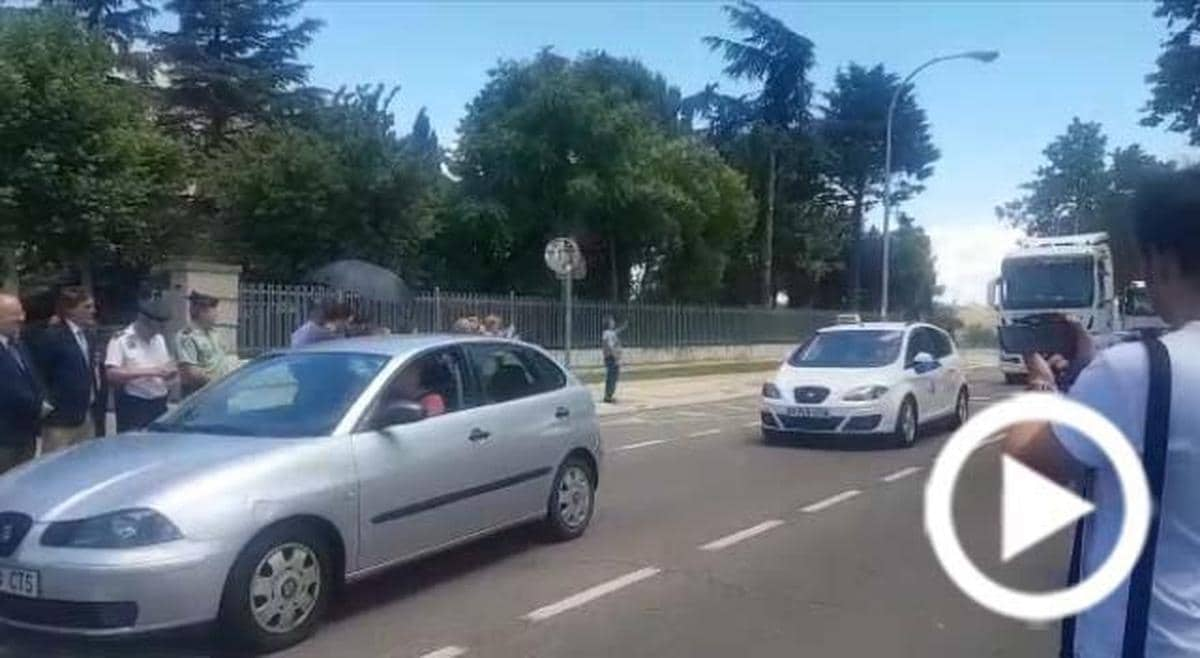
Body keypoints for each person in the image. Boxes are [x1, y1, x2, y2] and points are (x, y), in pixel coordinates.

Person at [1006, 170, 1200, 657]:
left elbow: (1034, 458)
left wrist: (1040, 385)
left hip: (1149, 642)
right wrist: (1093, 368)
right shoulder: (1128, 373)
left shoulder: (1140, 372)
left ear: (1162, 259)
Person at [31, 287, 100, 452]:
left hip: (85, 414)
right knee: (56, 466)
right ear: (70, 310)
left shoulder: (88, 336)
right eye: (87, 307)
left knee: (84, 462)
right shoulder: (53, 337)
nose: (93, 311)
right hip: (60, 419)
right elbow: (39, 373)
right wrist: (47, 404)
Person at [105, 296, 176, 432]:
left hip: (159, 402)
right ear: (144, 321)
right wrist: (151, 371)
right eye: (155, 328)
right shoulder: (121, 339)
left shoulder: (159, 339)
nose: (158, 332)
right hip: (134, 403)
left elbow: (165, 366)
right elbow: (111, 373)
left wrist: (170, 374)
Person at [0, 293, 44, 473]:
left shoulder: (18, 345)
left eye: (21, 313)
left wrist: (42, 400)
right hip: (4, 437)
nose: (21, 318)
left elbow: (32, 377)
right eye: (14, 315)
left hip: (26, 433)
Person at [176, 291, 237, 397]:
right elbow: (192, 373)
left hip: (219, 391)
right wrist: (218, 383)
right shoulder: (187, 336)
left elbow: (223, 359)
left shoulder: (214, 333)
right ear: (202, 312)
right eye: (213, 312)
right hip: (200, 394)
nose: (216, 316)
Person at [601, 315, 627, 404]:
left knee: (611, 377)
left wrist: (623, 327)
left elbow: (615, 332)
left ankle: (608, 396)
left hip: (611, 358)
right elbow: (610, 345)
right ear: (608, 323)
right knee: (612, 378)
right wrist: (616, 357)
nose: (613, 323)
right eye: (612, 321)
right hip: (612, 358)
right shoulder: (608, 333)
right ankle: (608, 397)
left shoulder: (608, 333)